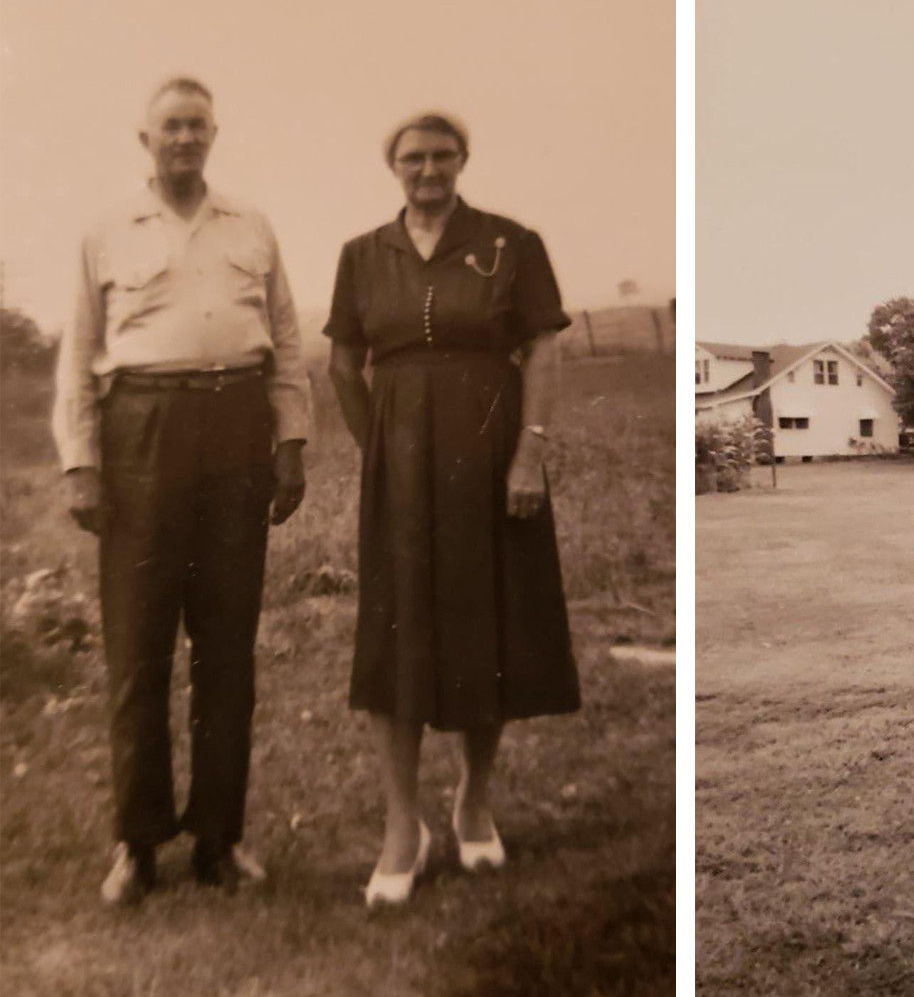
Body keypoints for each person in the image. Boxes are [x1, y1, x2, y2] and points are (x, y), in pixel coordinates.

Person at [52, 77, 311, 906]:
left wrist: (291, 443)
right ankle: (136, 844)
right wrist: (81, 462)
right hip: (141, 437)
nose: (185, 139)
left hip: (235, 427)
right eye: (171, 126)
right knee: (137, 651)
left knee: (228, 649)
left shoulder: (252, 225)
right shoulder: (105, 230)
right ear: (145, 138)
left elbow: (288, 338)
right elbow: (78, 354)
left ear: (214, 134)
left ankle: (218, 838)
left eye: (198, 125)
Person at [325, 111, 581, 907]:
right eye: (412, 158)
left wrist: (528, 452)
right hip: (399, 466)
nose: (427, 169)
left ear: (464, 159)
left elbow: (540, 347)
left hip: (490, 451)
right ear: (391, 167)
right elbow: (341, 362)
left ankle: (474, 799)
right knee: (396, 634)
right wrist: (382, 451)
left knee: (487, 624)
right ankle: (404, 825)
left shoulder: (512, 242)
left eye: (441, 156)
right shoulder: (363, 255)